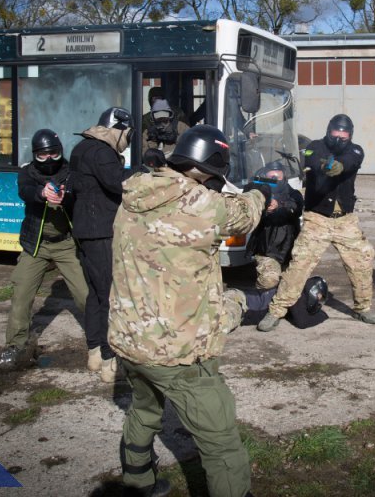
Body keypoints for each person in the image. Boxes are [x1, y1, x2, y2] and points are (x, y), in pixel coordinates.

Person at [108, 124, 268, 497]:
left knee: (145, 411)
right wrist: (263, 192)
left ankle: (137, 483)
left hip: (131, 340)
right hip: (176, 352)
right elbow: (246, 214)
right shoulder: (201, 204)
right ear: (208, 169)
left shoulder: (135, 193)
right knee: (222, 443)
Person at [258, 114, 375, 332]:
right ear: (329, 131)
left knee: (362, 260)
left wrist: (340, 166)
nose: (340, 138)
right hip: (317, 220)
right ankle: (276, 311)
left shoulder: (356, 149)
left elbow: (351, 160)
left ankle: (363, 308)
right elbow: (313, 158)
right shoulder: (315, 146)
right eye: (336, 134)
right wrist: (324, 166)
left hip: (345, 221)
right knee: (300, 265)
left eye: (345, 135)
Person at [0, 130, 89, 369]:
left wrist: (65, 196)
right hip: (35, 245)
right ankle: (15, 345)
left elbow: (79, 194)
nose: (49, 159)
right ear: (35, 155)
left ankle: (102, 341)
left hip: (67, 244)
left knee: (85, 294)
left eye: (54, 153)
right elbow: (25, 191)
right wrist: (41, 193)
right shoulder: (26, 172)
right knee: (21, 294)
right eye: (43, 155)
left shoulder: (71, 172)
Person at [68, 106, 136, 383]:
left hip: (85, 229)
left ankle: (94, 350)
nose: (127, 140)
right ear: (117, 129)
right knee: (110, 294)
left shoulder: (82, 148)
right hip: (101, 231)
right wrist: (144, 174)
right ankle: (110, 358)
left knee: (96, 294)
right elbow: (118, 184)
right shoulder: (102, 152)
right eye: (127, 134)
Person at [246, 161, 303, 291]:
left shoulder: (294, 194)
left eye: (277, 177)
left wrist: (279, 205)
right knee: (269, 280)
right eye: (271, 177)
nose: (274, 180)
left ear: (284, 178)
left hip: (290, 252)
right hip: (266, 251)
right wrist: (265, 205)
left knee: (292, 287)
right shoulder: (259, 193)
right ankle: (259, 302)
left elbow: (295, 207)